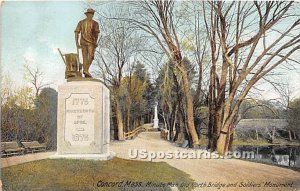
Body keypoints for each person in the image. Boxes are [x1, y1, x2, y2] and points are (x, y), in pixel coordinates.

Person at [75, 8, 100, 78]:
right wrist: (76, 43)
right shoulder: (81, 22)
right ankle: (86, 71)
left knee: (91, 57)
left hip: (91, 43)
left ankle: (85, 70)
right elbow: (76, 32)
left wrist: (95, 42)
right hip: (84, 42)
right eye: (90, 14)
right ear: (87, 14)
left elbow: (96, 34)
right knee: (85, 58)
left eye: (92, 14)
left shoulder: (95, 23)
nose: (91, 15)